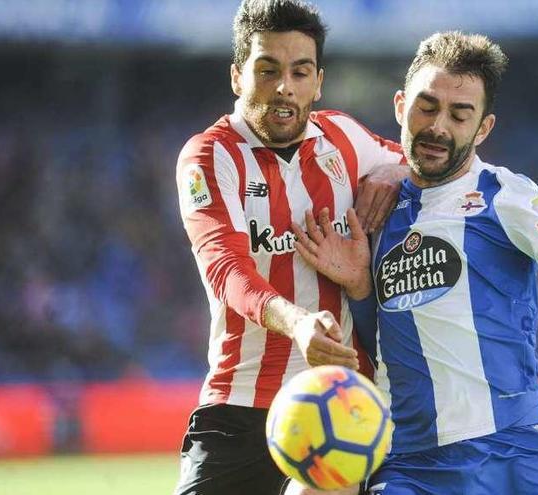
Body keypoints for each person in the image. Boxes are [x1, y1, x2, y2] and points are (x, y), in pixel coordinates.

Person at [292, 32, 538, 494]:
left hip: (513, 448)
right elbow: (386, 341)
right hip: (413, 462)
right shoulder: (375, 212)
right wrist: (359, 289)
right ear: (399, 106)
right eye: (426, 107)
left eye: (459, 114)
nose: (438, 127)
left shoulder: (502, 194)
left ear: (483, 128)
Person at [172, 1, 406, 494]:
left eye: (300, 72)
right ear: (238, 77)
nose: (285, 87)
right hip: (240, 403)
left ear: (318, 82)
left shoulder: (343, 137)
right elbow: (225, 266)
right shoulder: (209, 156)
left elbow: (429, 168)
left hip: (339, 403)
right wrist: (297, 321)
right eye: (267, 70)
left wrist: (393, 169)